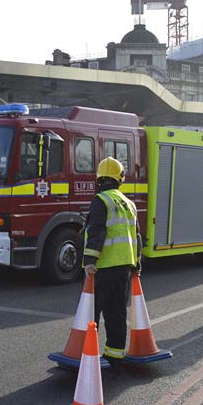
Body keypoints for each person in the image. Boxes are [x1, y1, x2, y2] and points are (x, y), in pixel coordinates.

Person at [81, 156, 141, 370]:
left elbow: (97, 230)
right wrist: (137, 265)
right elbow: (136, 237)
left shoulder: (101, 200)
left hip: (103, 267)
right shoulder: (129, 203)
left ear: (99, 179)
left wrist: (89, 260)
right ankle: (115, 355)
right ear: (120, 179)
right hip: (124, 266)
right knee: (117, 313)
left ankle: (87, 356)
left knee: (92, 312)